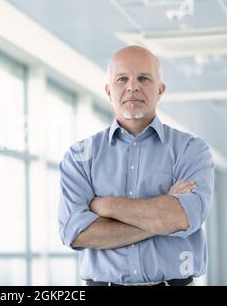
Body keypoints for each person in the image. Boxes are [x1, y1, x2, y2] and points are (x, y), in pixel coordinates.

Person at [58, 45, 214, 286]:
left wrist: (105, 206)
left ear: (160, 90)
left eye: (143, 78)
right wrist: (160, 219)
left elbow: (183, 217)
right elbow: (78, 234)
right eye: (122, 79)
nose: (133, 86)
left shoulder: (191, 150)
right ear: (109, 91)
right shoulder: (79, 157)